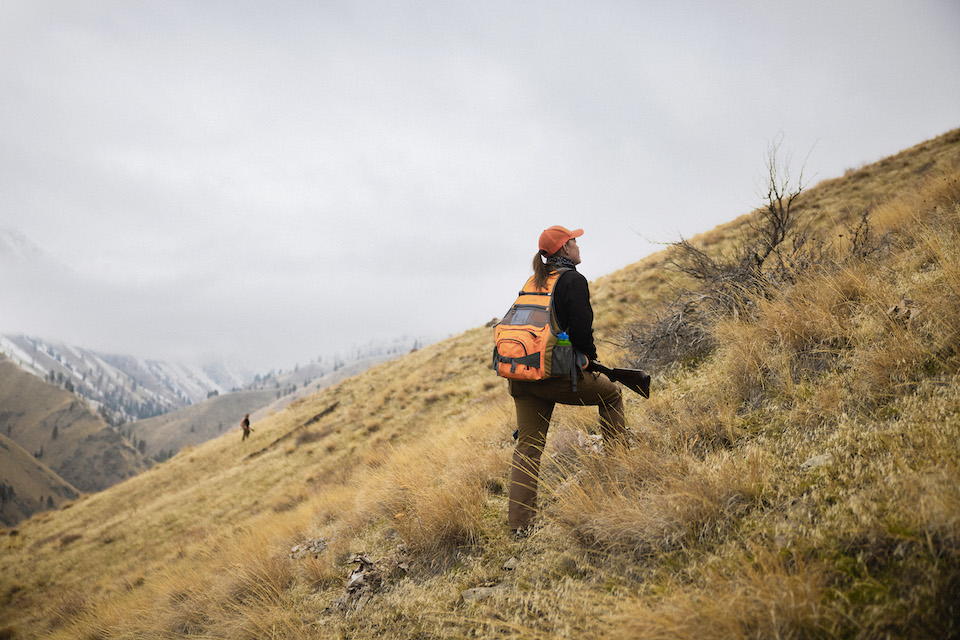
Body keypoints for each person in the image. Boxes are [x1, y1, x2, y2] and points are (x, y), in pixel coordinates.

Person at [506, 225, 626, 536]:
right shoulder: (573, 280)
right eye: (574, 241)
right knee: (611, 395)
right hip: (555, 375)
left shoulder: (534, 281)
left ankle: (520, 527)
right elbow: (583, 330)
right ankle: (624, 472)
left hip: (523, 377)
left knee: (528, 448)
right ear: (564, 249)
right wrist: (587, 359)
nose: (578, 245)